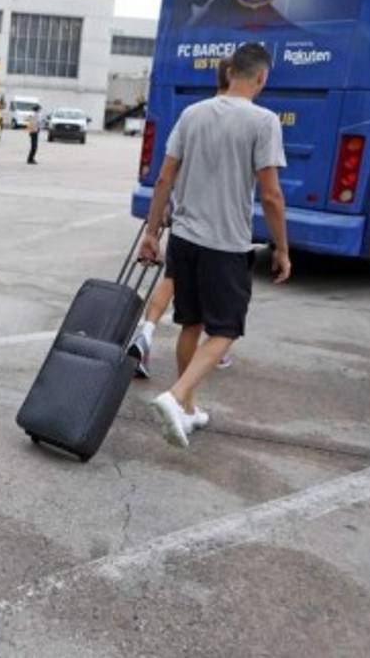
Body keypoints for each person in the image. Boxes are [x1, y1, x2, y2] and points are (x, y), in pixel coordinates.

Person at [138, 42, 291, 448]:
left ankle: (188, 409)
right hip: (226, 244)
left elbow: (164, 179)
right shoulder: (263, 121)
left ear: (229, 72)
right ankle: (174, 397)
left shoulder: (192, 113)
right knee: (226, 330)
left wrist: (152, 233)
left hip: (185, 239)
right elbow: (272, 195)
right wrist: (282, 248)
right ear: (262, 77)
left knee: (192, 323)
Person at [128, 58, 236, 379]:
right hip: (221, 233)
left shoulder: (191, 116)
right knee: (210, 311)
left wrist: (154, 225)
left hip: (183, 223)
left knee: (171, 279)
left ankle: (145, 332)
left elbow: (165, 176)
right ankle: (204, 367)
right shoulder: (249, 121)